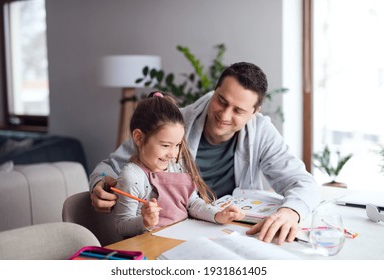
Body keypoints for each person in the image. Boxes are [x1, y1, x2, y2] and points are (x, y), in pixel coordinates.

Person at [89, 62, 320, 244]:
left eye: (238, 110)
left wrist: (290, 213)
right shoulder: (175, 126)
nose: (225, 115)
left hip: (230, 232)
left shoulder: (261, 131)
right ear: (214, 90)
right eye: (221, 100)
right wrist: (99, 183)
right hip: (172, 234)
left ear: (254, 112)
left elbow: (303, 182)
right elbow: (108, 166)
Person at [113, 91, 244, 238]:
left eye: (177, 145)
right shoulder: (132, 176)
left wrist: (217, 215)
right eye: (165, 145)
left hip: (181, 239)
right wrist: (145, 222)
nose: (173, 154)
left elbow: (192, 202)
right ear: (139, 138)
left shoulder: (176, 164)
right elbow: (121, 225)